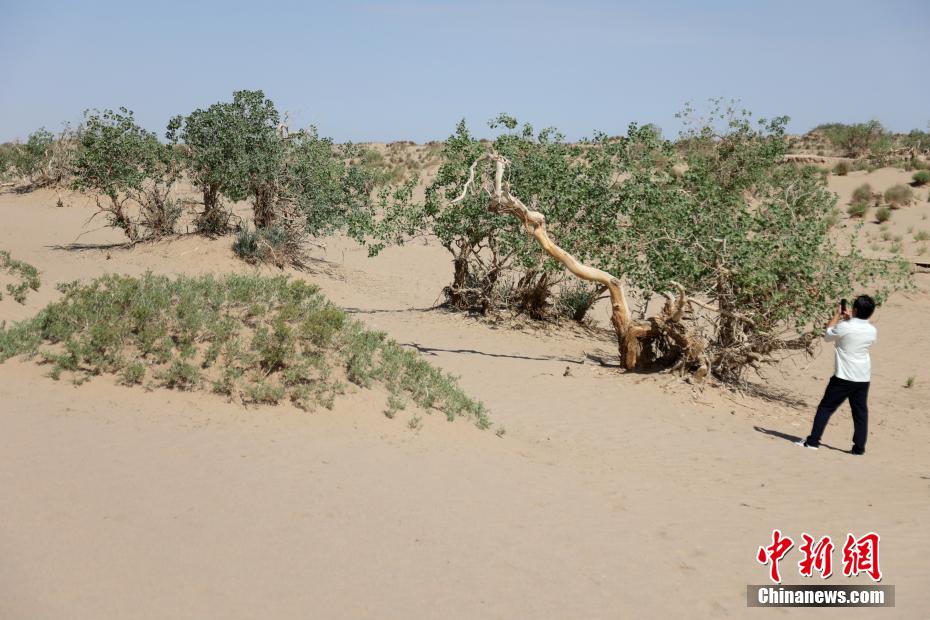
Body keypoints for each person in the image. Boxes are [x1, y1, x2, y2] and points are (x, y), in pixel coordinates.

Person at [798, 295, 877, 455]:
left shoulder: (844, 327)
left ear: (854, 309)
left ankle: (812, 442)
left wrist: (837, 316)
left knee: (825, 408)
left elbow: (827, 335)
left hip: (843, 377)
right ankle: (859, 448)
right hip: (862, 377)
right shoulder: (872, 330)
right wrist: (849, 320)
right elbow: (856, 333)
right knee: (860, 412)